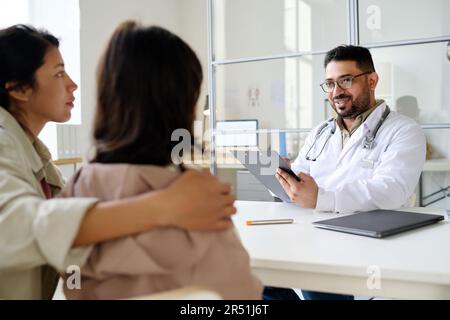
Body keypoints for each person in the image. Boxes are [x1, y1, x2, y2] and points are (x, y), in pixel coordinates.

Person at [0, 24, 236, 300]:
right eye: (59, 73)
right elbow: (11, 228)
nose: (73, 84)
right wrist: (163, 207)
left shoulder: (48, 164)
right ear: (19, 90)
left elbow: (75, 275)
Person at [58, 21, 262, 300]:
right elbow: (242, 296)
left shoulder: (75, 190)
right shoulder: (198, 201)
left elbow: (71, 282)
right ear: (181, 104)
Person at [275, 45, 426, 300]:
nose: (336, 92)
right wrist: (285, 177)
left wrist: (321, 198)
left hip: (363, 246)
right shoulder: (321, 132)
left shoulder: (404, 131)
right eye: (330, 84)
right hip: (309, 235)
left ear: (372, 80)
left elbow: (390, 191)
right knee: (257, 279)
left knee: (316, 287)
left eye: (345, 80)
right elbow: (302, 175)